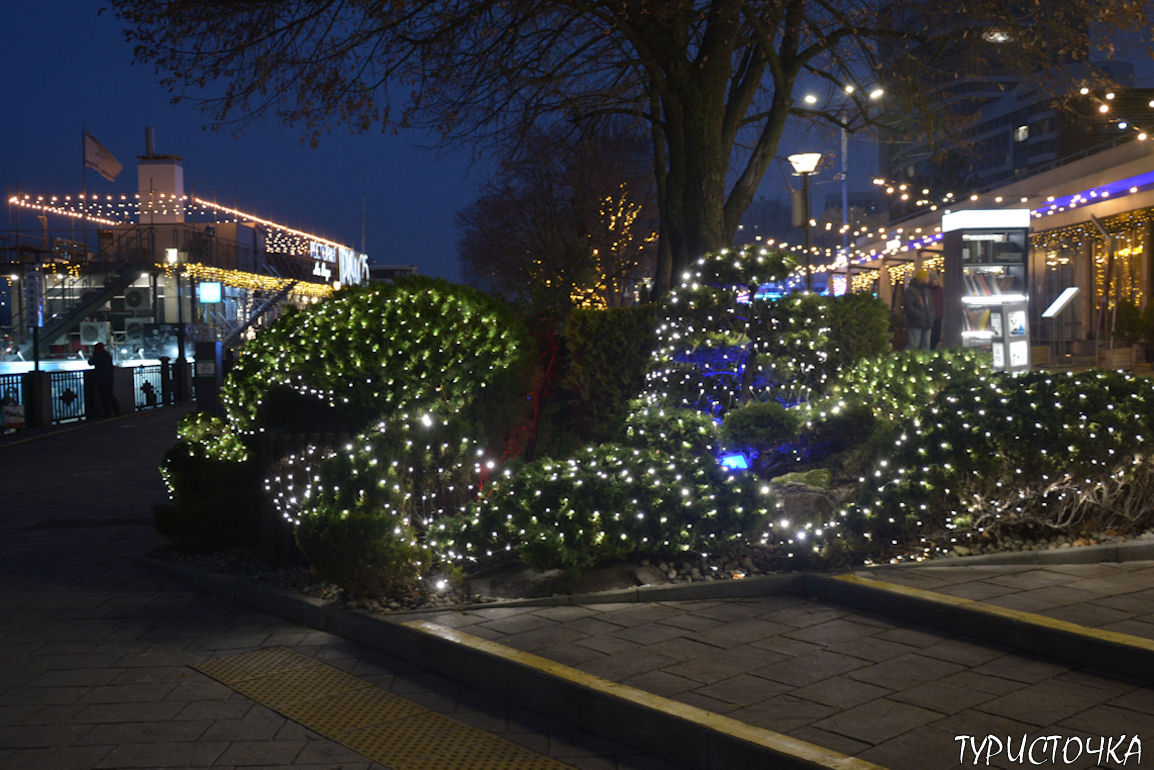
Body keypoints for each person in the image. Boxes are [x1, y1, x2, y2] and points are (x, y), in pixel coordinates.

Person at [903, 269, 934, 350]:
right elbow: (909, 307)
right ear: (921, 279)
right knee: (914, 345)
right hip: (915, 322)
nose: (928, 279)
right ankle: (907, 359)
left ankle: (924, 361)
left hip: (926, 322)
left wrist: (931, 315)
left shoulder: (926, 291)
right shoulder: (910, 291)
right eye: (926, 277)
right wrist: (921, 315)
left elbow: (931, 305)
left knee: (926, 345)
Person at [88, 342, 120, 418]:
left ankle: (107, 411)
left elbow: (91, 362)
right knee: (109, 394)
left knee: (104, 396)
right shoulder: (107, 354)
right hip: (109, 378)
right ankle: (116, 409)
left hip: (101, 378)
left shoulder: (98, 354)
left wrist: (92, 356)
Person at [928, 271, 945, 349]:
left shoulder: (941, 290)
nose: (936, 281)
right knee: (930, 335)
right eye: (934, 279)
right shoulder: (927, 290)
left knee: (937, 335)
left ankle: (933, 348)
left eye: (936, 279)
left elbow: (943, 302)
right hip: (929, 315)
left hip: (938, 315)